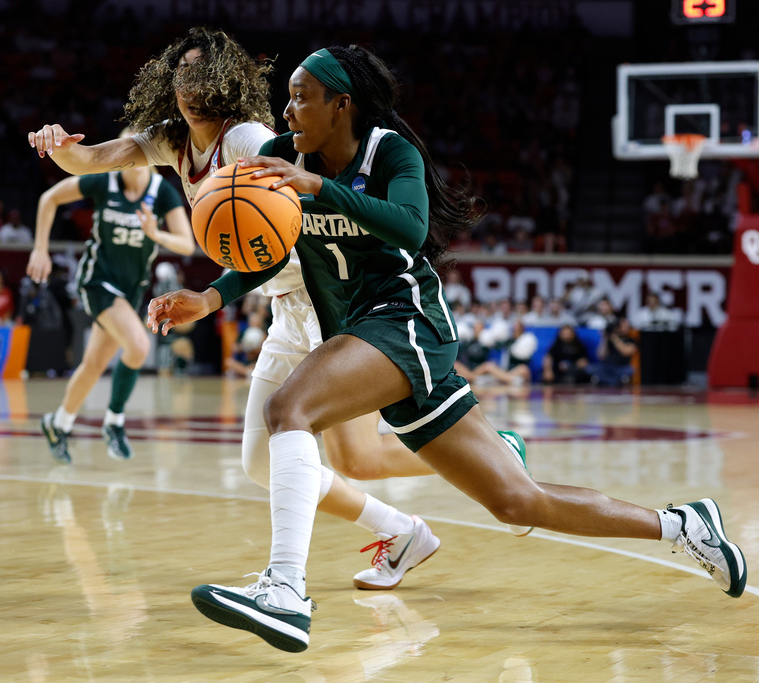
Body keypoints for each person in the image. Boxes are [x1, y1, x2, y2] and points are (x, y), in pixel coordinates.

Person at [146, 45, 747, 653]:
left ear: (341, 104)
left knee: (288, 411)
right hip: (362, 331)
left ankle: (286, 591)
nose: (288, 108)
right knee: (516, 502)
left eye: (303, 95)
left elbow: (409, 225)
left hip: (406, 323)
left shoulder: (390, 151)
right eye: (290, 95)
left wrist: (321, 187)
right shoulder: (279, 157)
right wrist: (211, 298)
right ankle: (682, 524)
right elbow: (267, 248)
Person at [27, 29, 468, 590]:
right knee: (265, 463)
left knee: (355, 457)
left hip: (328, 297)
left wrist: (214, 296)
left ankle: (288, 582)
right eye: (179, 74)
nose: (188, 86)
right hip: (285, 309)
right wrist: (58, 144)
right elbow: (90, 158)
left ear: (224, 81)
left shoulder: (255, 140)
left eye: (199, 74)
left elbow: (298, 232)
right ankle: (402, 530)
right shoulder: (171, 140)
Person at [27, 127, 193, 464]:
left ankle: (58, 424)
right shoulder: (104, 180)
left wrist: (155, 233)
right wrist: (40, 249)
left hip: (131, 288)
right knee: (139, 345)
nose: (129, 163)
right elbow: (50, 198)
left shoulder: (162, 193)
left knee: (93, 365)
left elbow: (187, 244)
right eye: (123, 156)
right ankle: (115, 421)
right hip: (98, 281)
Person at [587, 316, 638, 387]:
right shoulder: (608, 339)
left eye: (626, 326)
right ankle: (611, 381)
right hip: (607, 367)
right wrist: (604, 338)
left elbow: (625, 352)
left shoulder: (630, 340)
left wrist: (615, 338)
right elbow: (601, 356)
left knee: (631, 370)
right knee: (590, 368)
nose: (623, 328)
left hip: (621, 368)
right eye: (621, 326)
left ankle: (609, 381)